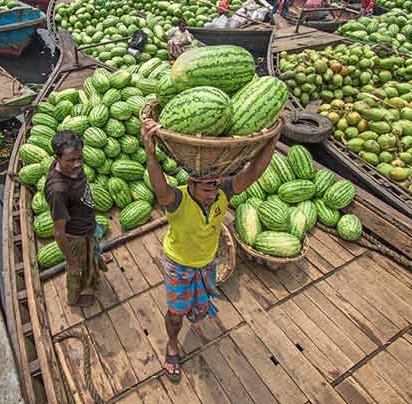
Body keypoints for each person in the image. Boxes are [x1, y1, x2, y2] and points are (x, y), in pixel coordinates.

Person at [140, 116, 278, 383]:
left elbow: (253, 173)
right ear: (190, 184)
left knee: (197, 307)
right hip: (178, 264)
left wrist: (273, 138)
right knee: (176, 313)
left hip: (206, 263)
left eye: (214, 187)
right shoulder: (177, 199)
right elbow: (159, 186)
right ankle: (171, 345)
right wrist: (150, 151)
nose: (212, 194)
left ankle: (190, 313)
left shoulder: (222, 192)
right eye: (205, 189)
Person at [45, 131, 107, 308]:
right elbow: (58, 232)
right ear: (57, 158)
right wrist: (71, 261)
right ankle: (74, 298)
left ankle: (95, 266)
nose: (77, 164)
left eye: (79, 158)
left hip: (88, 226)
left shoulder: (72, 168)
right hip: (76, 238)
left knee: (92, 257)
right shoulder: (58, 191)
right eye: (71, 160)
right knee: (77, 271)